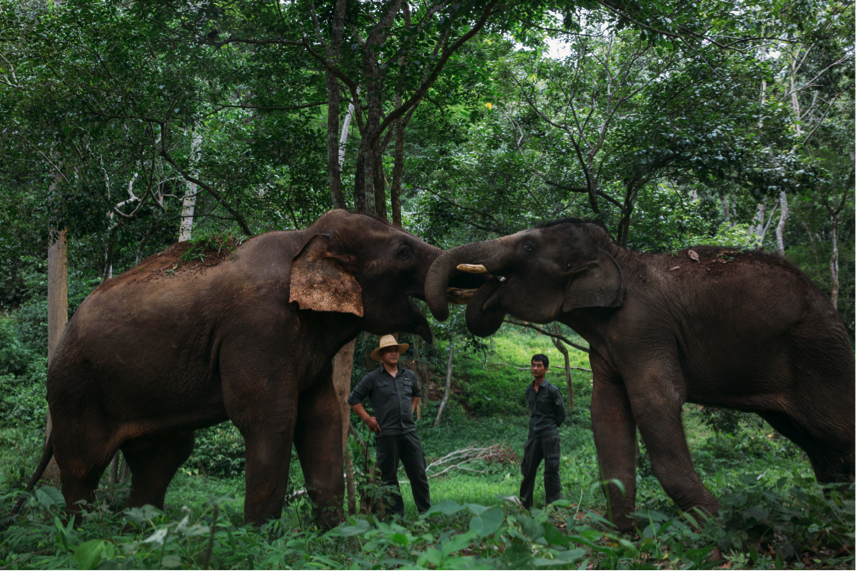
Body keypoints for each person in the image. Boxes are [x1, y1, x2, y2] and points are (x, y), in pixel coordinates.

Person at [347, 335, 431, 516]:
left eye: (395, 350)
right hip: (386, 435)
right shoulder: (373, 378)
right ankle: (396, 518)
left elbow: (416, 393)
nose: (393, 353)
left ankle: (426, 514)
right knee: (389, 479)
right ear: (382, 354)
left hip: (409, 432)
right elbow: (353, 399)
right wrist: (368, 419)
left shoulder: (408, 375)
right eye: (389, 350)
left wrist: (411, 410)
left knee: (418, 473)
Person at [519, 353, 566, 510]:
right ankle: (525, 504)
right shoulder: (529, 390)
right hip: (533, 435)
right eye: (533, 365)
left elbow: (562, 414)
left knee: (551, 471)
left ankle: (552, 506)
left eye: (539, 366)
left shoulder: (553, 391)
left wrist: (550, 427)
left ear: (546, 369)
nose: (535, 368)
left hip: (549, 436)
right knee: (528, 470)